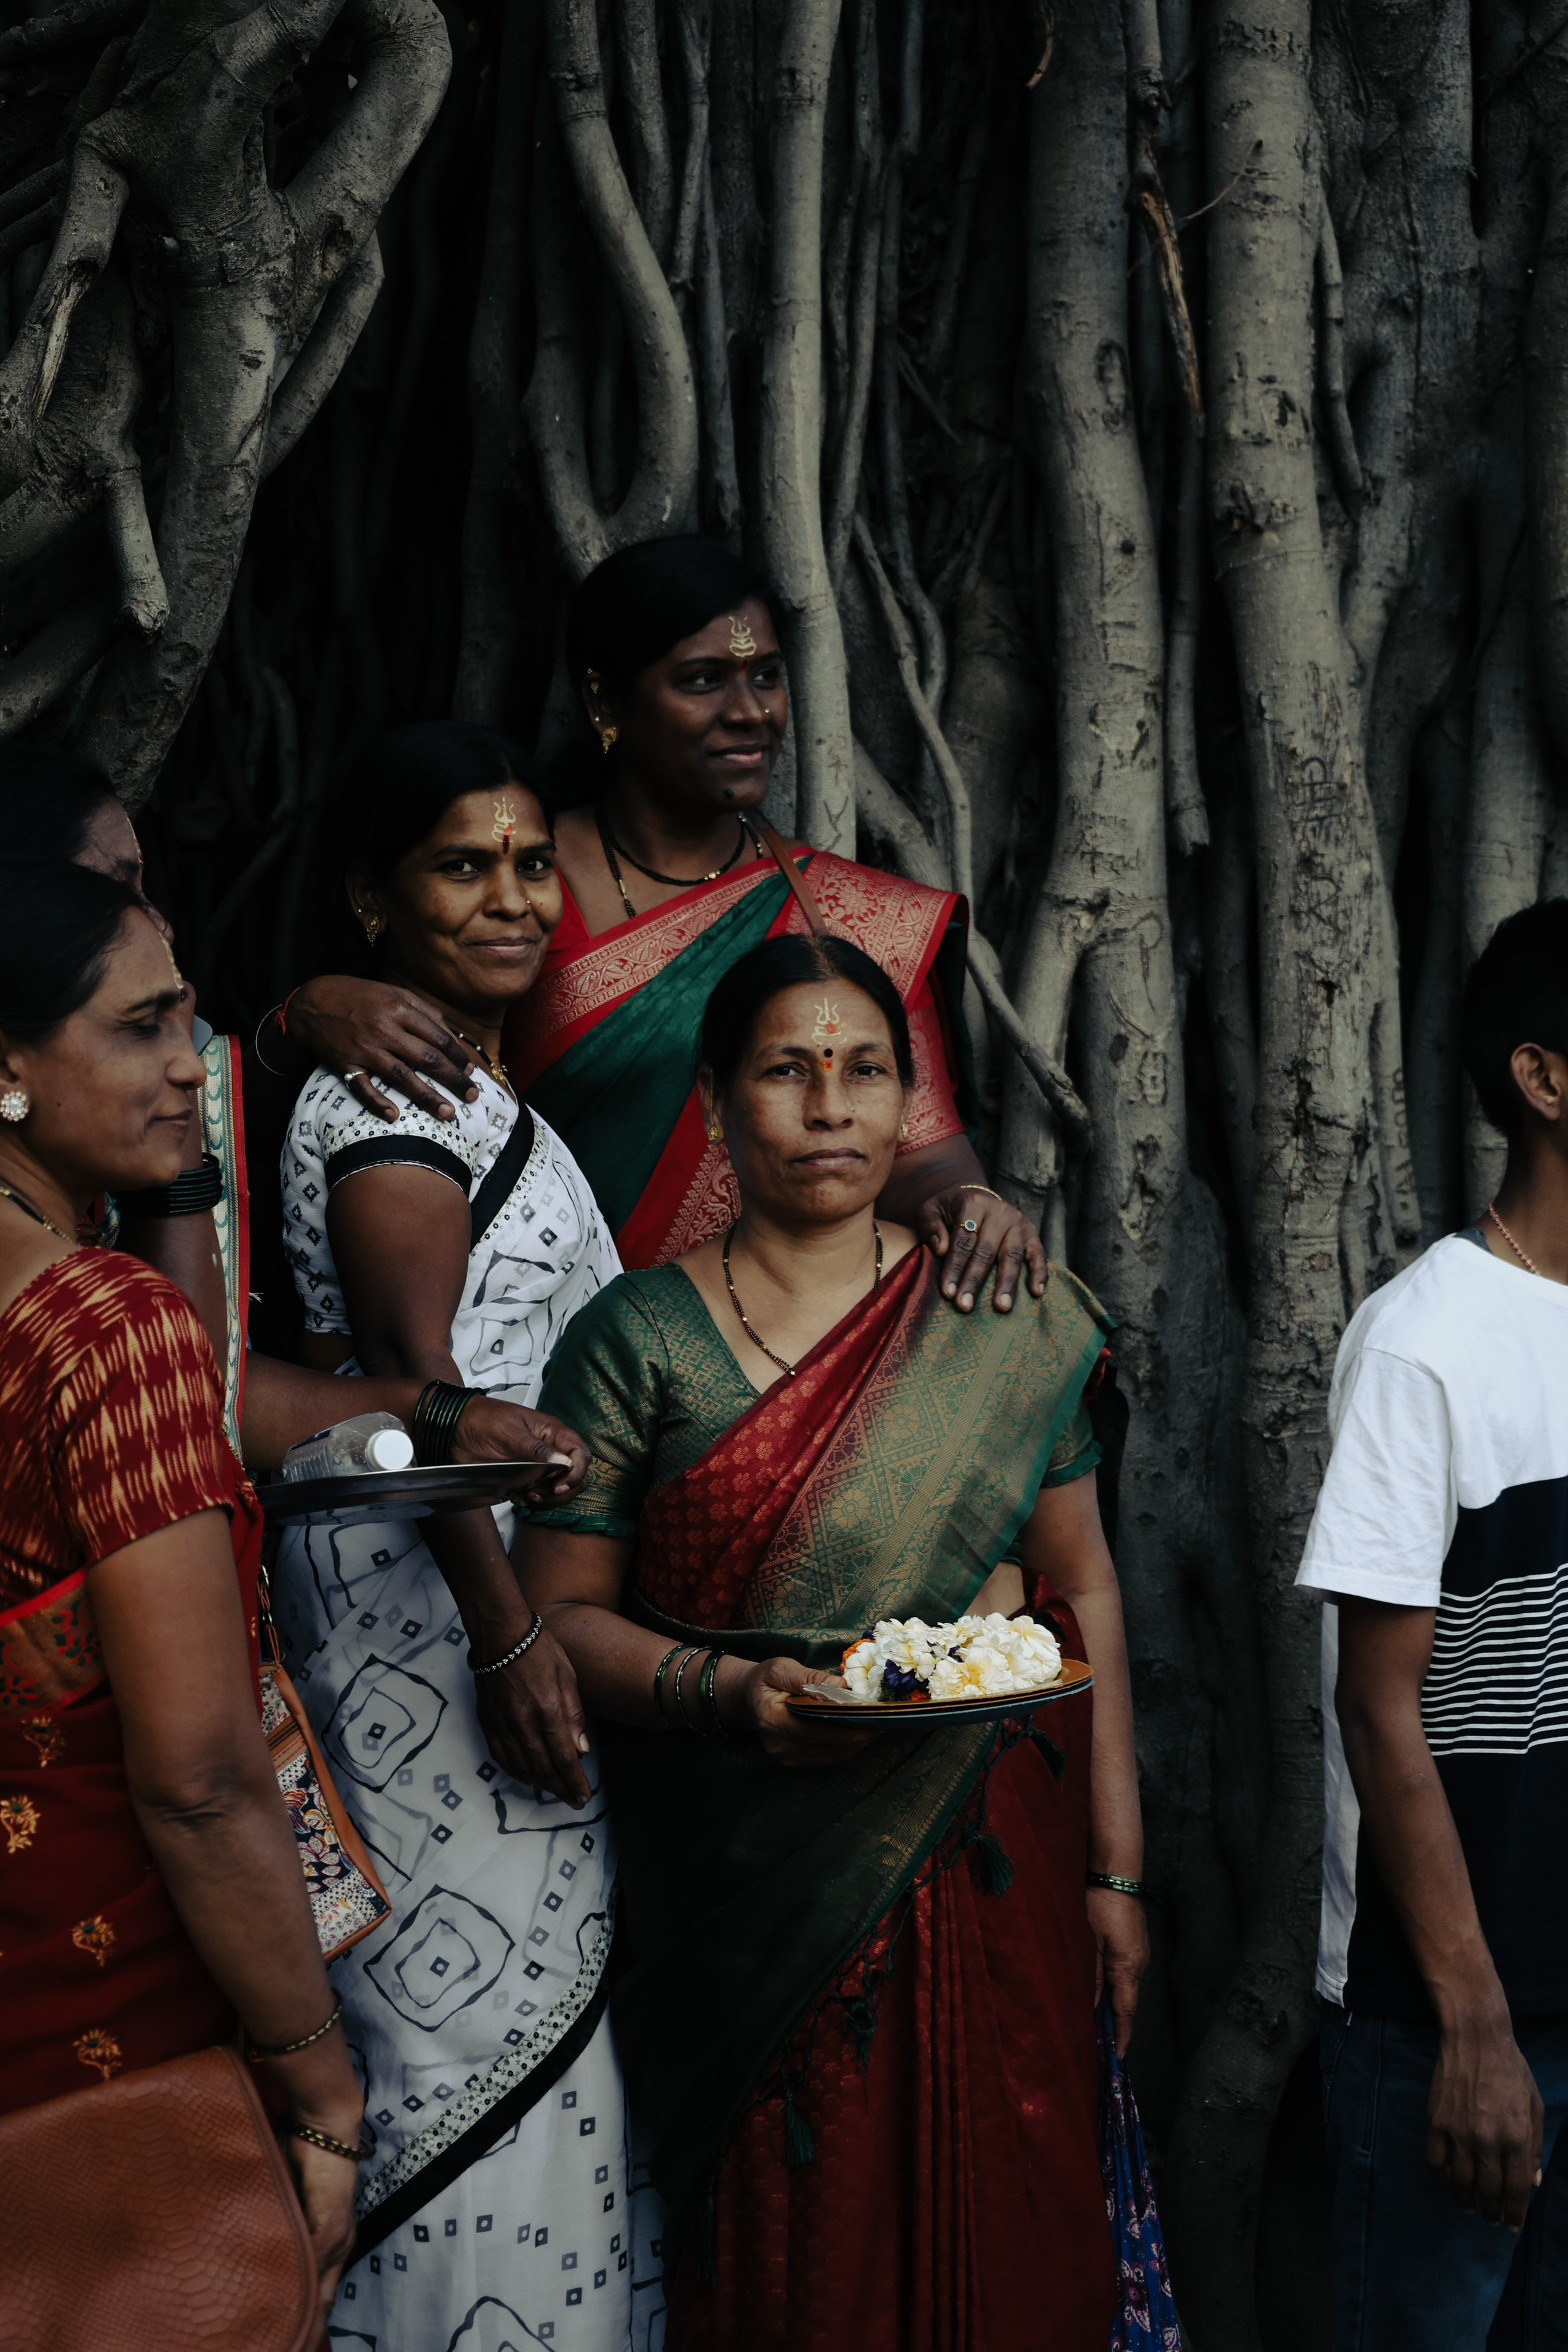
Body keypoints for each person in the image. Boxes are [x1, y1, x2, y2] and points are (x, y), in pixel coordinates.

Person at [515, 932, 1158, 2351]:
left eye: (864, 1071)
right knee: (788, 2259)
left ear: (908, 1102)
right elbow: (558, 1616)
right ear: (714, 1099)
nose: (827, 1108)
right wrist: (726, 1687)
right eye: (787, 1072)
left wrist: (1115, 1869)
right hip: (740, 1885)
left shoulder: (1002, 1313)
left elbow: (1081, 1590)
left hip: (990, 1853)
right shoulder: (636, 1340)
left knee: (1015, 2216)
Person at [268, 723, 660, 2350]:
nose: (511, 896)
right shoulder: (393, 1119)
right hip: (434, 1660)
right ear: (374, 895)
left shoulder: (467, 1090)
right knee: (471, 2065)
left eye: (525, 860)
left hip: (449, 1652)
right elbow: (422, 1405)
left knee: (520, 2049)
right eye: (458, 864)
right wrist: (509, 1637)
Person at [0, 856, 364, 2325]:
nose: (189, 1068)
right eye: (142, 1027)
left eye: (193, 1020)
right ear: (6, 1071)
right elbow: (203, 1778)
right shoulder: (104, 1334)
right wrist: (319, 2083)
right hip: (107, 2064)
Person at [0, 743, 579, 1486]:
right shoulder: (382, 1109)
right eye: (115, 891)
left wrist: (448, 1420)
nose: (161, 926)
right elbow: (180, 1418)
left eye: (535, 864)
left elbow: (212, 1392)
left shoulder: (147, 1128)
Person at [502, 533, 1048, 1316]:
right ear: (604, 702)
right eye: (702, 681)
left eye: (766, 676)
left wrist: (966, 1204)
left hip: (761, 1353)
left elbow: (922, 1154)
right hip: (519, 1349)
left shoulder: (851, 919)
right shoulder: (517, 886)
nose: (751, 712)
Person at [1298, 898, 1568, 2349]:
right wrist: (1471, 2027)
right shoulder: (1422, 1343)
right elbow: (1374, 1703)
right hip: (1448, 2022)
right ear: (1540, 1077)